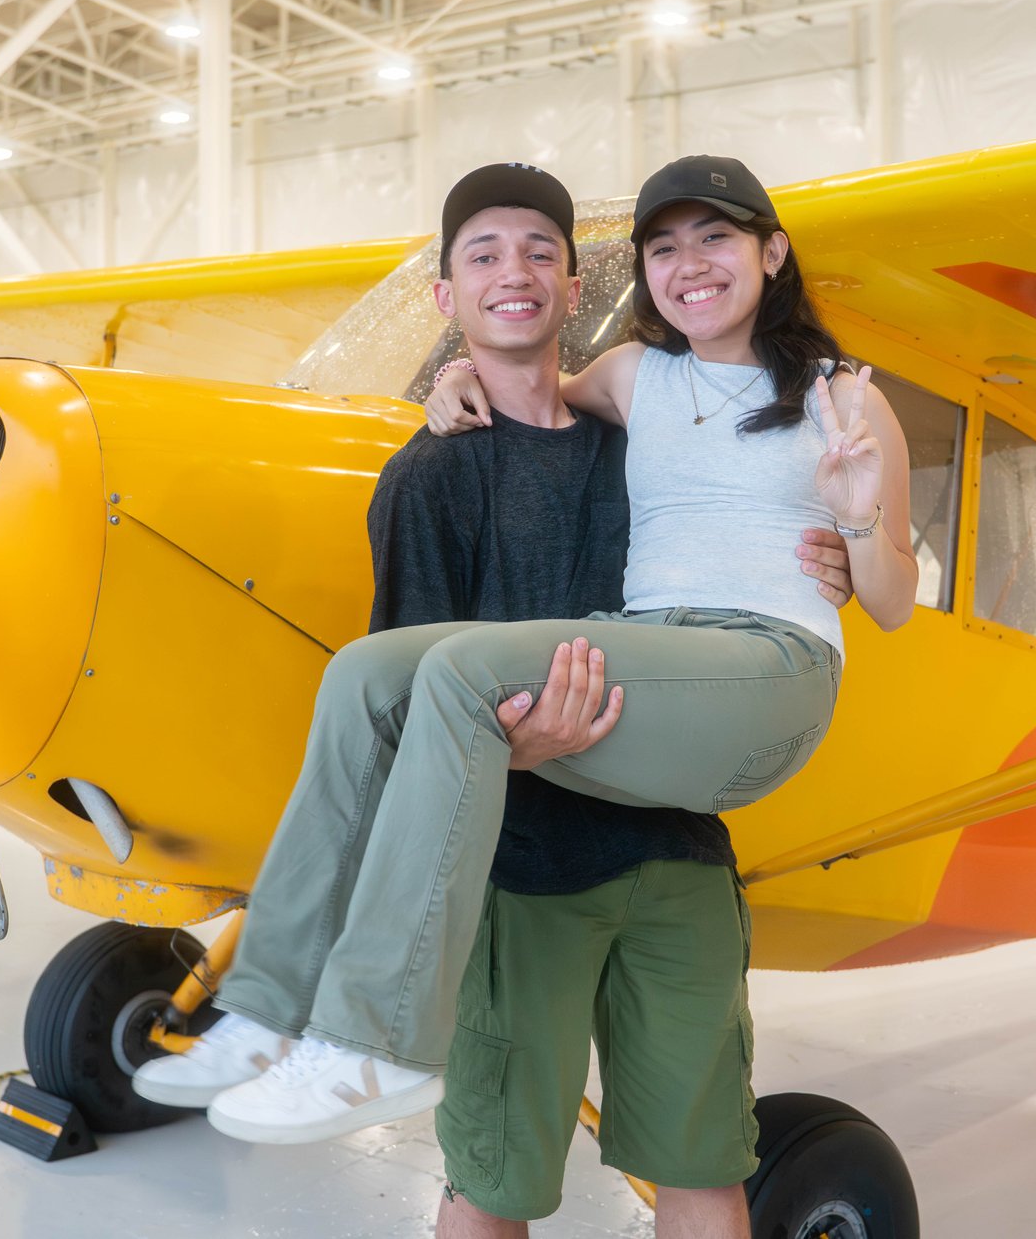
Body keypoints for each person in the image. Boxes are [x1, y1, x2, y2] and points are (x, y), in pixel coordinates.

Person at [136, 155, 919, 1148]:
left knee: (458, 671)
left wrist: (855, 525)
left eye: (716, 237)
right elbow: (523, 380)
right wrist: (450, 373)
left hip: (769, 669)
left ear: (772, 250)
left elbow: (891, 599)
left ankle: (373, 1038)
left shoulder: (840, 397)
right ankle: (263, 1007)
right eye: (664, 246)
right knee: (365, 672)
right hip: (654, 653)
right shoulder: (636, 376)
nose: (690, 264)